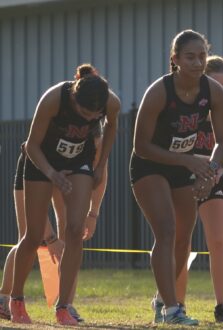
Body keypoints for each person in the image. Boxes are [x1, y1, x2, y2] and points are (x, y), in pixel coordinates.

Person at [131, 29, 223, 325]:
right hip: (150, 164)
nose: (198, 62)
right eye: (190, 57)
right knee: (166, 229)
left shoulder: (213, 90)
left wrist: (210, 173)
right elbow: (141, 145)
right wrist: (188, 160)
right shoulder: (160, 91)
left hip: (183, 167)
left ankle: (162, 299)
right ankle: (174, 309)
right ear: (175, 59)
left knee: (184, 237)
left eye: (202, 56)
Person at [9, 64, 120, 325]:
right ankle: (16, 300)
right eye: (84, 112)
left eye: (96, 115)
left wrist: (101, 164)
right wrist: (51, 173)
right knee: (34, 235)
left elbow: (112, 127)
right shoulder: (53, 99)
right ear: (74, 99)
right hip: (41, 160)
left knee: (74, 230)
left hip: (78, 160)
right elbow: (32, 146)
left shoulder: (110, 103)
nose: (91, 118)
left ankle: (64, 306)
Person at [149, 55, 223, 324]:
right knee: (179, 240)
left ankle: (221, 306)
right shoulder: (182, 107)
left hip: (214, 178)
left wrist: (222, 169)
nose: (220, 92)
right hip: (181, 177)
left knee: (217, 240)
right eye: (215, 85)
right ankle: (174, 302)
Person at [0, 134, 107, 322]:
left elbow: (101, 173)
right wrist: (50, 239)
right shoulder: (49, 135)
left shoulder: (96, 142)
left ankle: (66, 305)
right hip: (35, 167)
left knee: (71, 234)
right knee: (29, 238)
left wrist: (93, 213)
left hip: (67, 169)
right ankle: (4, 298)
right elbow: (37, 211)